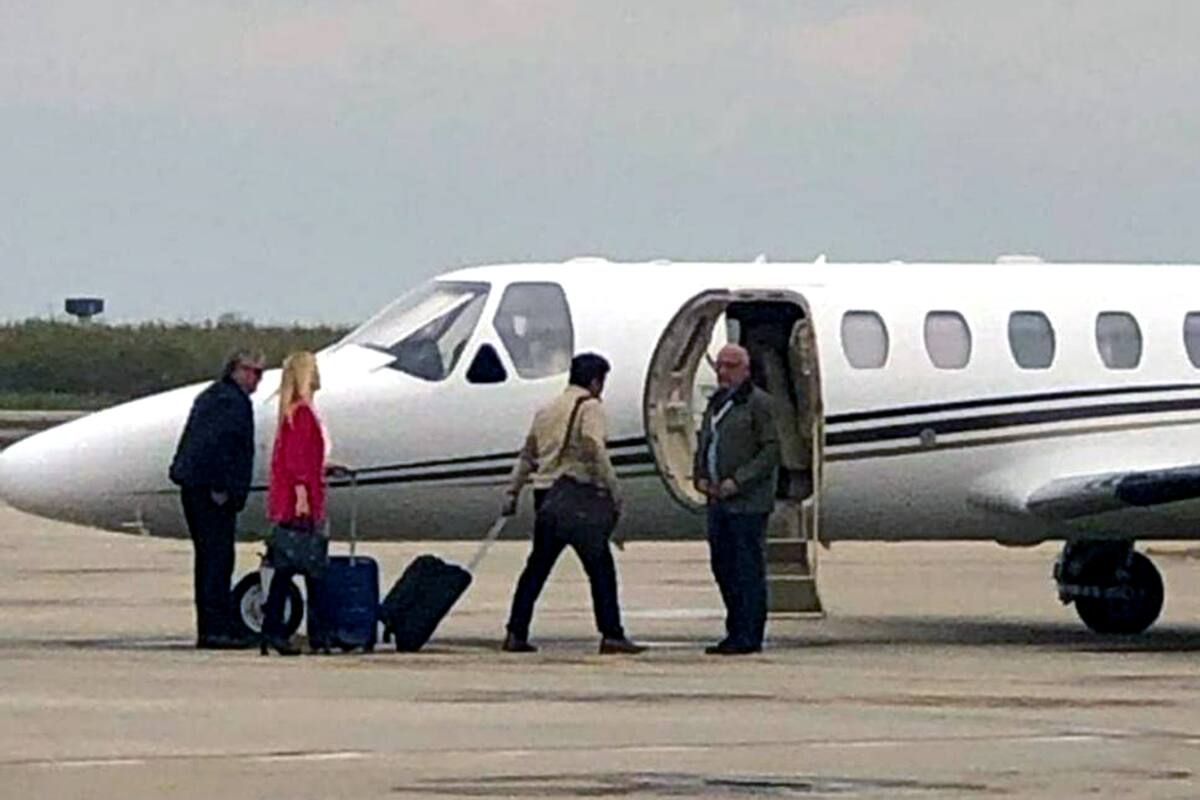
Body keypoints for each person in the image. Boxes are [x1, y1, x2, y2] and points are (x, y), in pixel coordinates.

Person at [501, 353, 645, 655]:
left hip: (545, 497)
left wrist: (512, 493)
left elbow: (527, 456)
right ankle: (612, 634)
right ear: (595, 381)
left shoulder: (547, 410)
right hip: (575, 496)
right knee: (600, 569)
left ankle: (515, 630)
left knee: (537, 568)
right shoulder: (590, 407)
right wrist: (613, 488)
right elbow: (593, 445)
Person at [169, 349, 264, 649]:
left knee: (214, 559)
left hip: (203, 488)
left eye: (260, 373)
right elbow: (215, 447)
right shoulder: (227, 401)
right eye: (252, 372)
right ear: (236, 370)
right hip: (210, 492)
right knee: (215, 559)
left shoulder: (219, 397)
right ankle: (213, 630)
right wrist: (221, 488)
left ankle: (215, 626)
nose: (256, 380)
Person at [694, 344, 780, 655]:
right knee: (723, 566)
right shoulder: (716, 403)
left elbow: (770, 450)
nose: (722, 372)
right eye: (719, 366)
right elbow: (706, 441)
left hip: (748, 503)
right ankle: (735, 629)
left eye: (730, 366)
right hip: (718, 501)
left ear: (746, 370)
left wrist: (739, 481)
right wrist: (700, 474)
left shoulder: (759, 404)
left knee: (748, 568)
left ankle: (749, 634)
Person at [262, 351, 328, 656]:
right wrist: (302, 493)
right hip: (298, 499)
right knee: (306, 566)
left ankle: (274, 630)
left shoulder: (291, 413)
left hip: (293, 494)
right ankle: (316, 632)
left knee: (286, 567)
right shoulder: (301, 414)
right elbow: (297, 458)